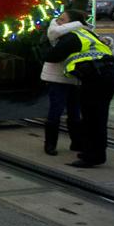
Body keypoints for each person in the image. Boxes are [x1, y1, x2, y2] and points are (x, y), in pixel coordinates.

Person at [42, 8, 114, 168]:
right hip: (107, 74)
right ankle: (91, 151)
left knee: (92, 118)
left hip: (95, 78)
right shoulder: (86, 33)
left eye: (62, 20)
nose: (58, 22)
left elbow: (51, 56)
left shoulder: (72, 36)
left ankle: (93, 156)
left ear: (71, 23)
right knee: (96, 117)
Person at [39, 10, 85, 156]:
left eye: (63, 19)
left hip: (74, 79)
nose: (58, 21)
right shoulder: (56, 32)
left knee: (74, 113)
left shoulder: (78, 34)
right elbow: (52, 55)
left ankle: (76, 142)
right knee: (56, 112)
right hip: (57, 78)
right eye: (59, 19)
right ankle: (50, 144)